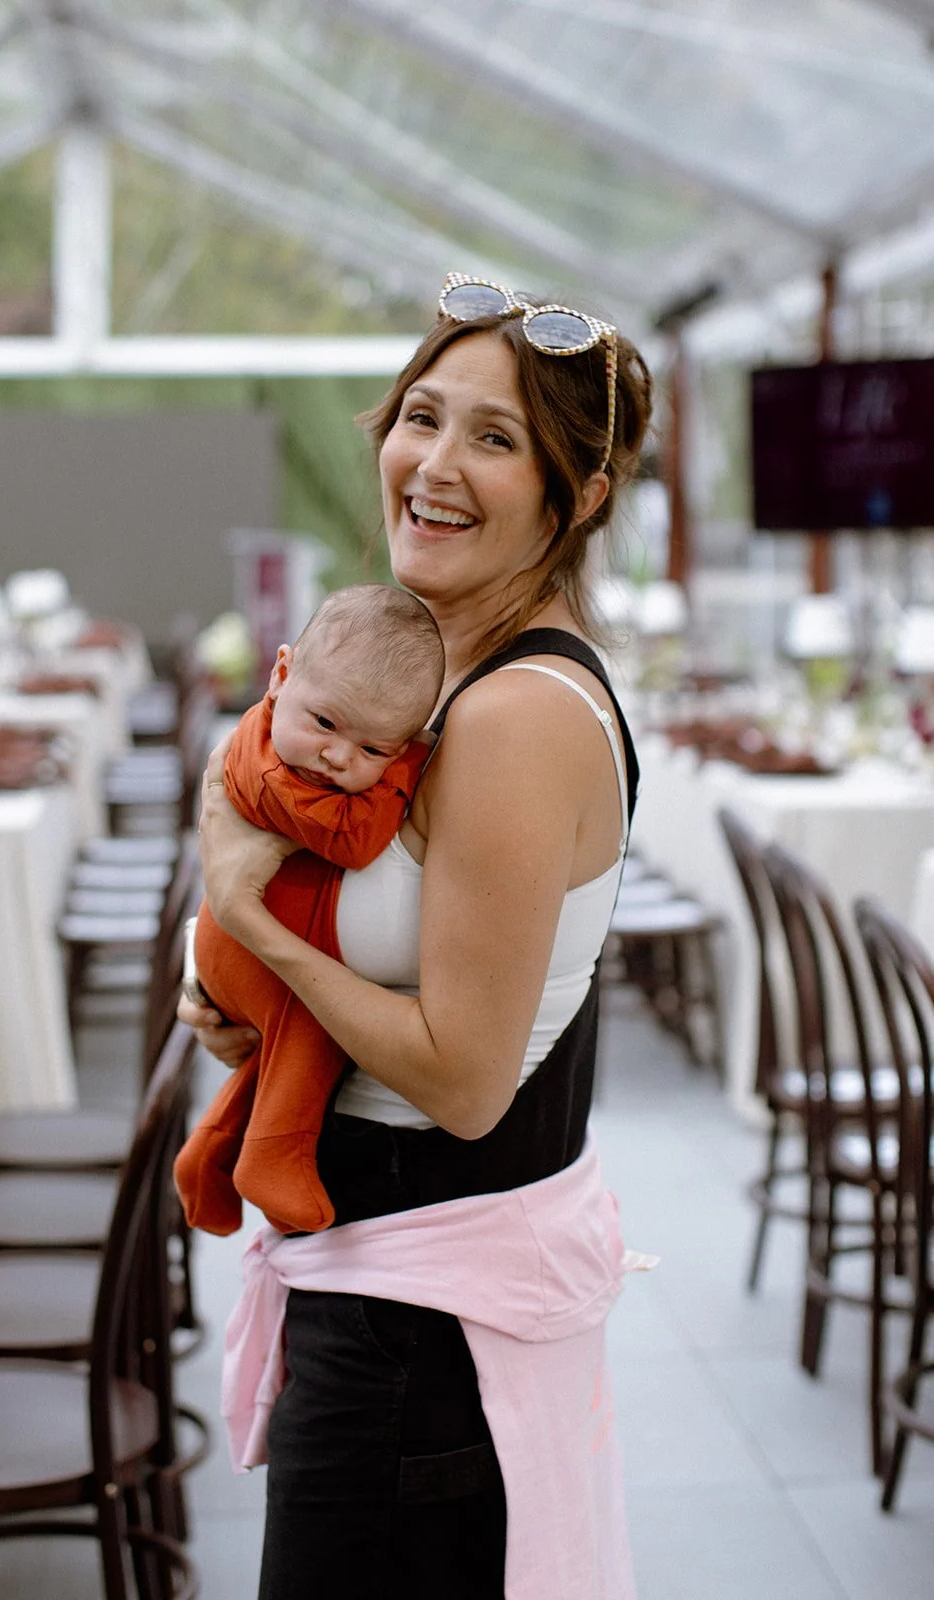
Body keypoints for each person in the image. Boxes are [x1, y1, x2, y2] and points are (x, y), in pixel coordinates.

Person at [180, 270, 653, 1600]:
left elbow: (458, 1078)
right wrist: (251, 1010)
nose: (434, 466)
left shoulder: (513, 716)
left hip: (417, 1342)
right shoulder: (435, 667)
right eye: (421, 418)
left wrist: (252, 929)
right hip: (384, 1297)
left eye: (495, 440)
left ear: (579, 496)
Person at [174, 583, 444, 1237]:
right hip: (242, 947)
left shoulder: (287, 739)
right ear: (281, 672)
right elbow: (354, 842)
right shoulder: (272, 772)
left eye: (374, 749)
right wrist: (405, 767)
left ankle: (209, 1150)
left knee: (278, 1054)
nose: (337, 756)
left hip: (247, 935)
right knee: (316, 1021)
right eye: (325, 723)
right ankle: (273, 1159)